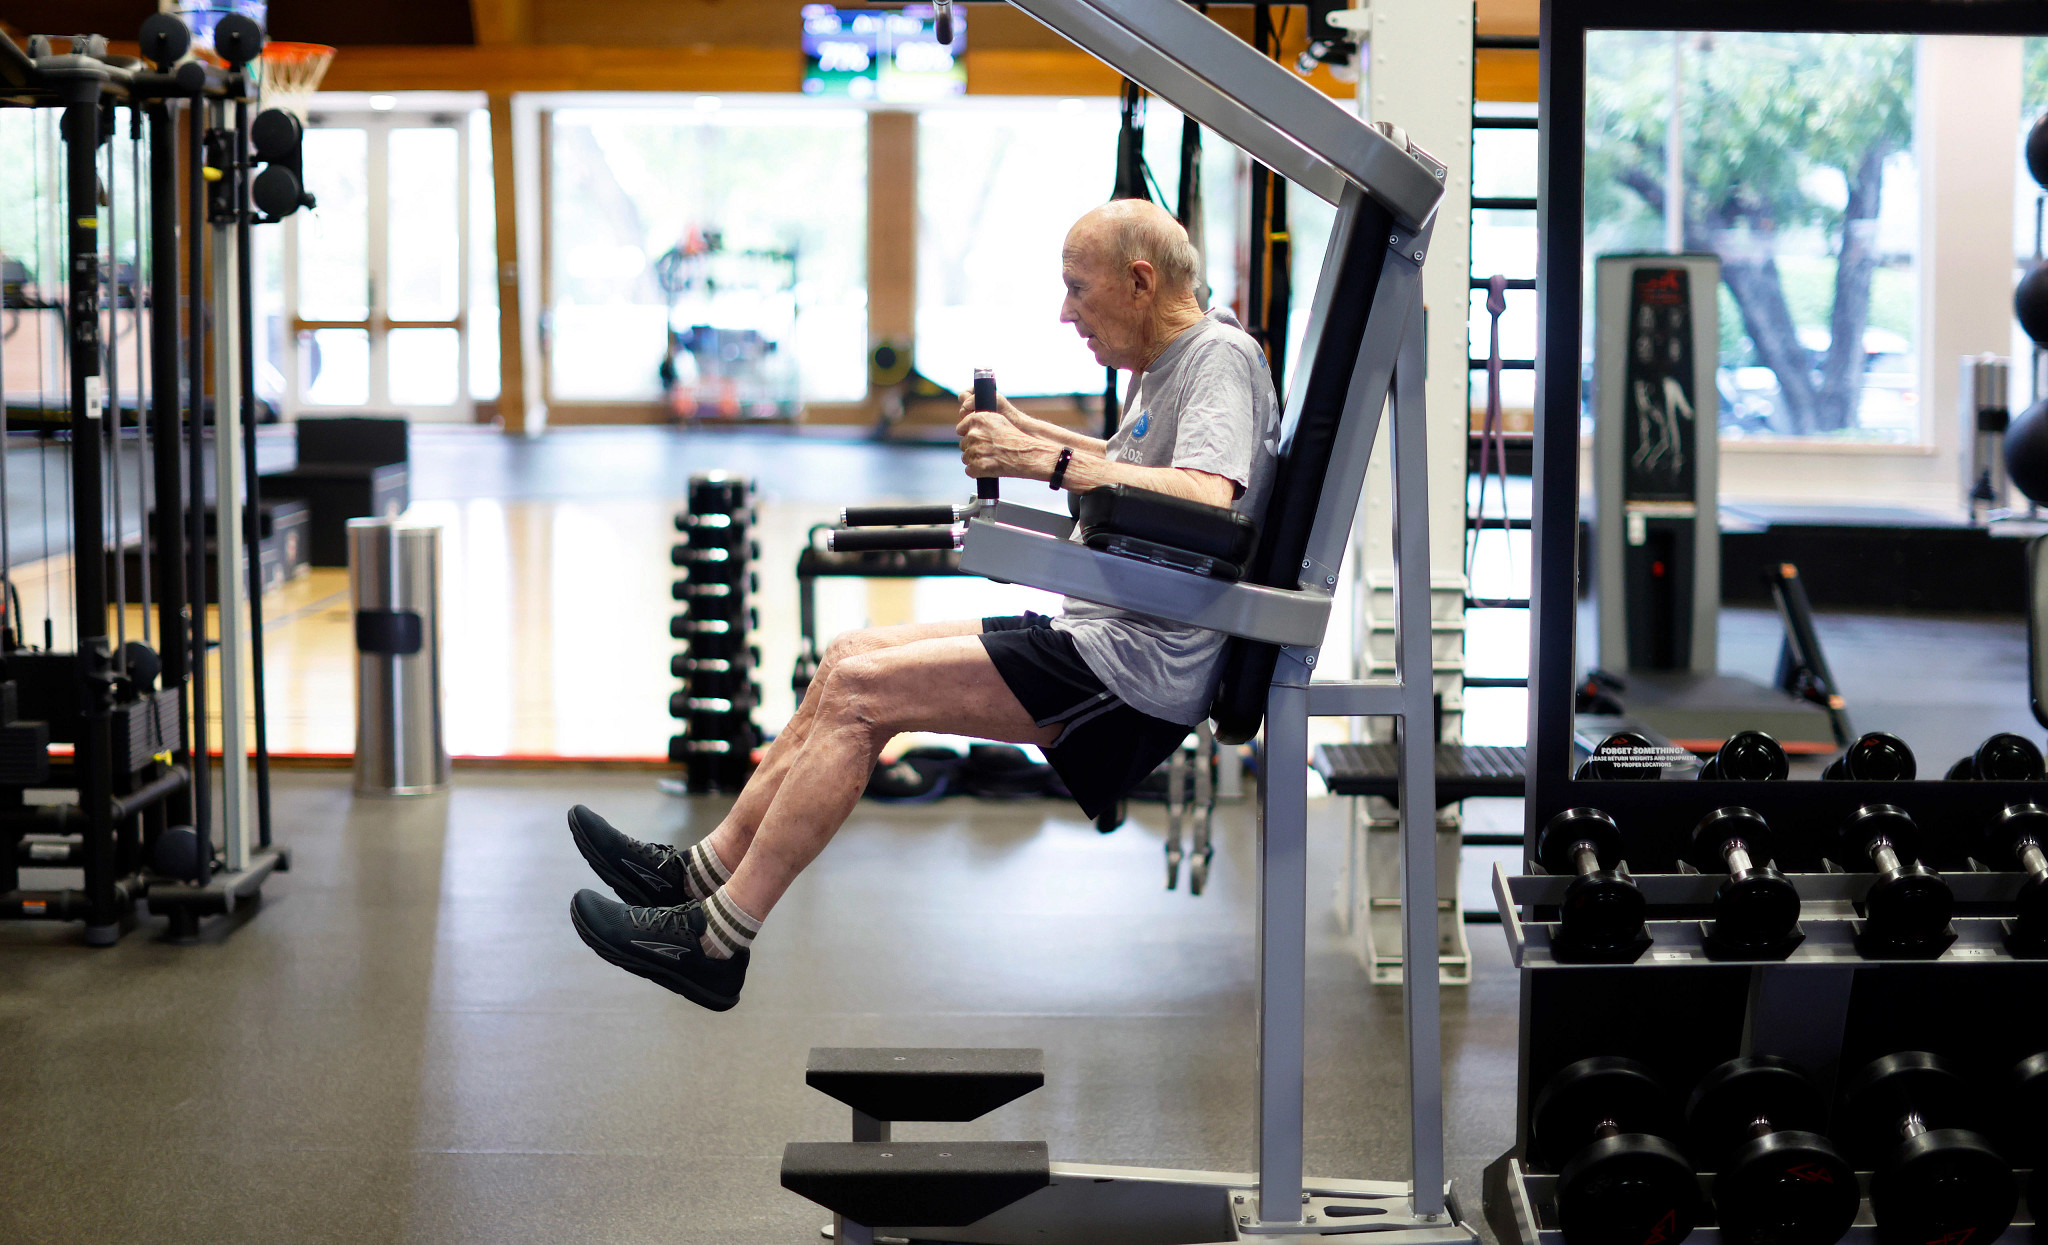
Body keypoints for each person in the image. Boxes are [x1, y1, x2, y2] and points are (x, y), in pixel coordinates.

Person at [568, 198, 1281, 1012]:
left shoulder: (1217, 357)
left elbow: (1203, 493)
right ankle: (699, 872)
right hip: (1102, 629)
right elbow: (1131, 464)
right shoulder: (1172, 363)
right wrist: (1024, 431)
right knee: (847, 658)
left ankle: (715, 940)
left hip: (1133, 667)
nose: (1066, 311)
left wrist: (1038, 458)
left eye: (1077, 289)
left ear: (1140, 281)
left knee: (863, 697)